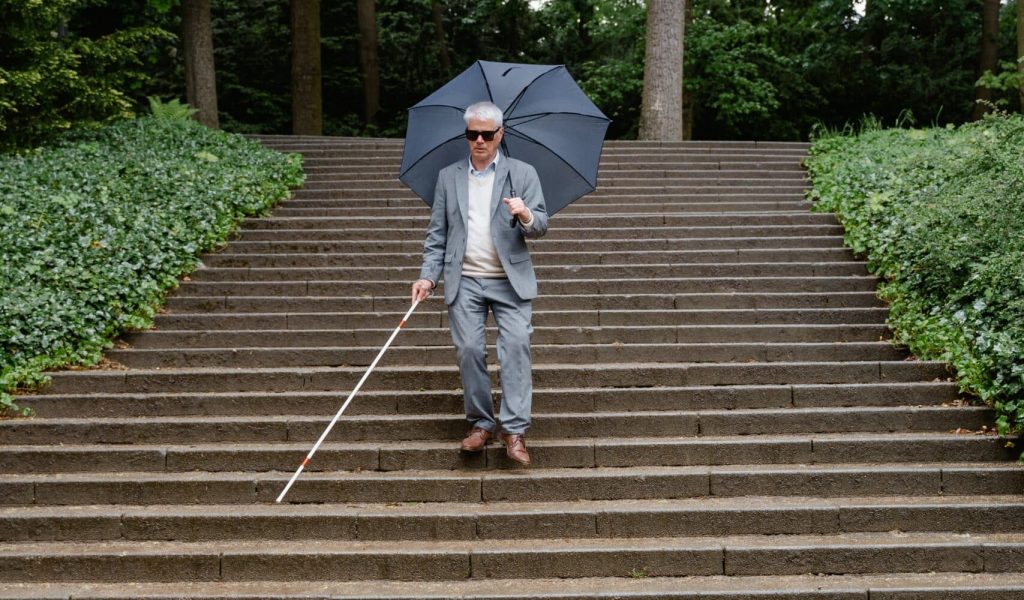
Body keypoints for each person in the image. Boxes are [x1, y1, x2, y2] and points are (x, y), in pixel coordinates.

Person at [411, 101, 548, 466]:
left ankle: (515, 430)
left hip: (509, 280)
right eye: (473, 134)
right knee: (469, 350)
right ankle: (480, 423)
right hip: (465, 278)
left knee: (516, 346)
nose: (480, 140)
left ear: (501, 134)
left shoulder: (523, 173)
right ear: (466, 135)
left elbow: (542, 225)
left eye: (487, 134)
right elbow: (437, 234)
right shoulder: (448, 176)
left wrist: (525, 213)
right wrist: (428, 275)